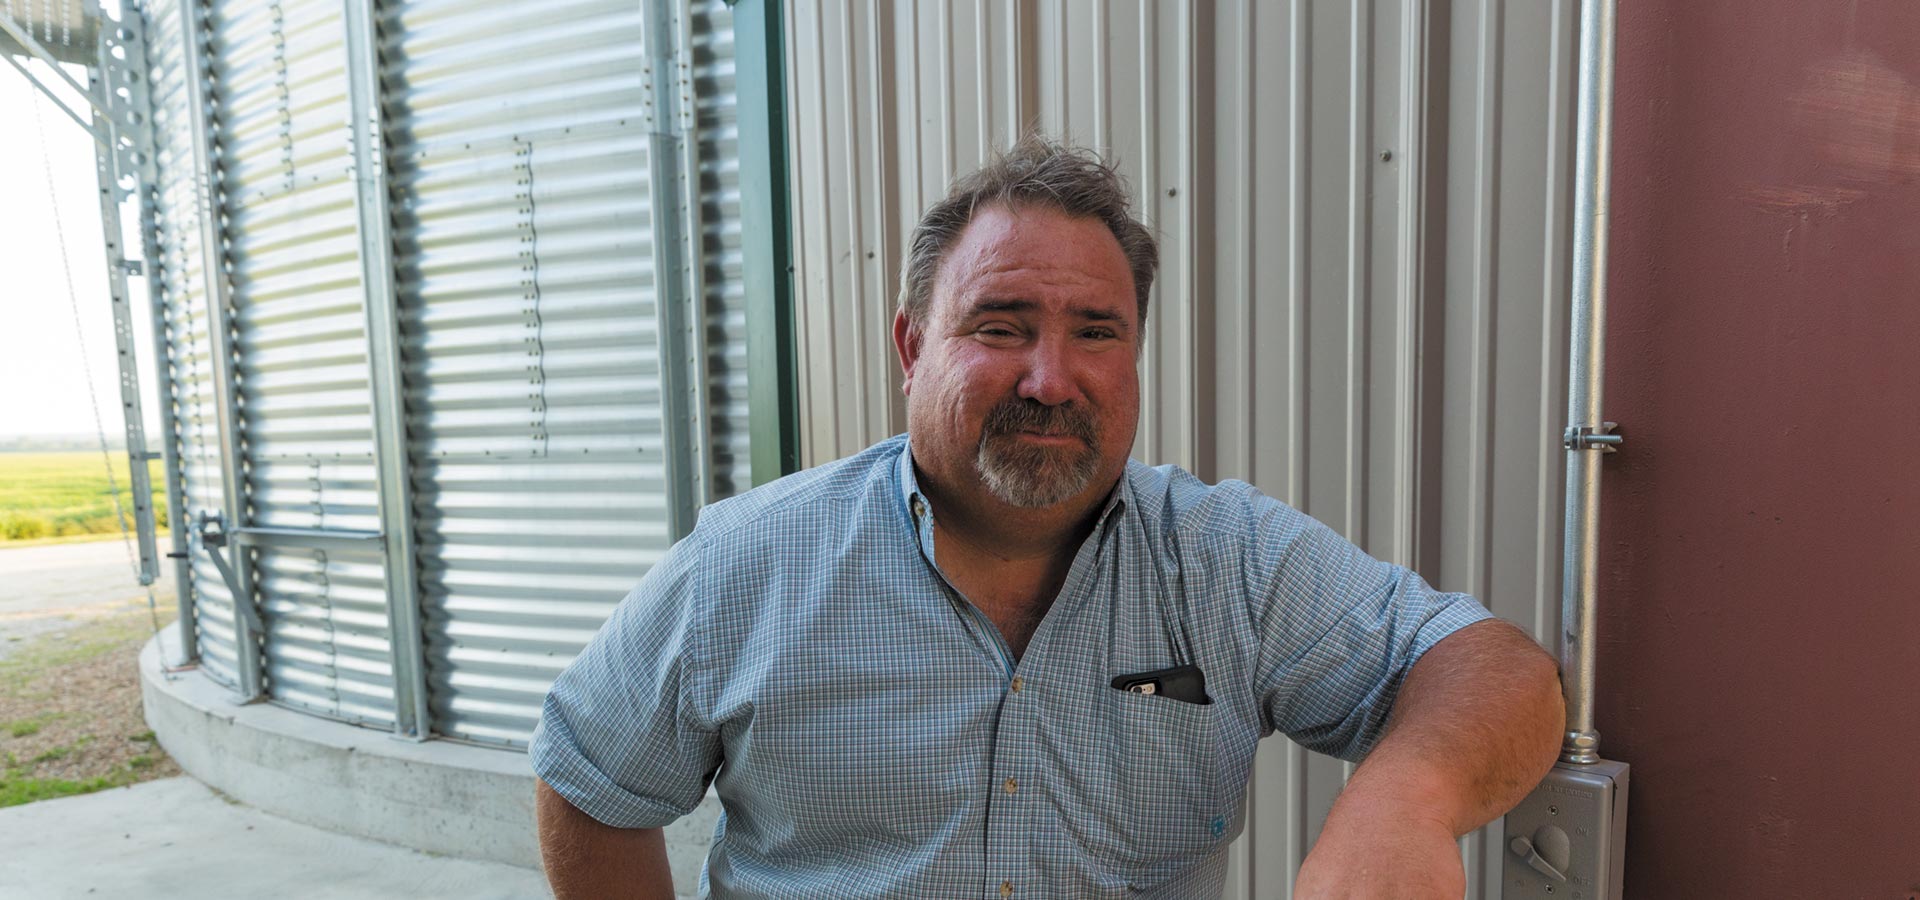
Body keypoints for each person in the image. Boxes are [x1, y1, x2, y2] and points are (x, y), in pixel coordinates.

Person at [531, 136, 1564, 899]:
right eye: (1001, 326)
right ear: (910, 348)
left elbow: (1491, 666)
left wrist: (1403, 803)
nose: (1050, 377)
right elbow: (591, 779)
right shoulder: (745, 568)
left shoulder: (1229, 561)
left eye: (1097, 333)